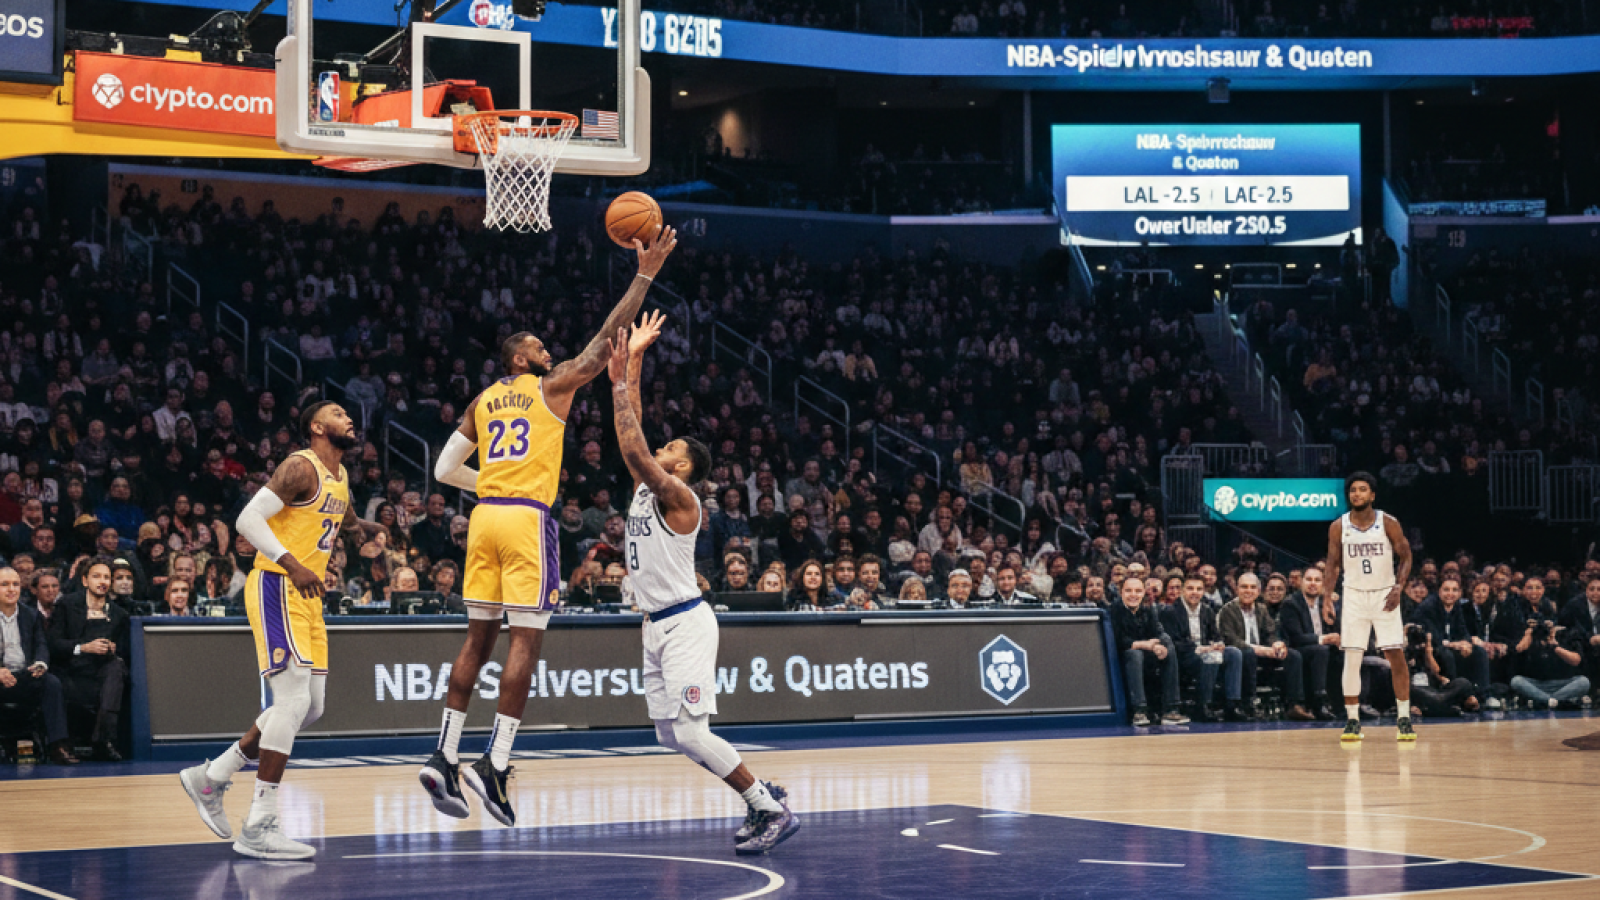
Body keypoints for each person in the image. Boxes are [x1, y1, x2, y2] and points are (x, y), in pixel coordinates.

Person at [420, 229, 677, 828]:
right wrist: (645, 274)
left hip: (483, 519)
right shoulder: (551, 384)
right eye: (536, 346)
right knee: (525, 644)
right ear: (518, 359)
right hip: (525, 521)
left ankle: (443, 755)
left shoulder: (482, 401)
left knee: (475, 643)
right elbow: (604, 343)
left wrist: (489, 483)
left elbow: (442, 470)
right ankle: (495, 764)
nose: (546, 350)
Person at [602, 316, 798, 854]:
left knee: (692, 731)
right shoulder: (647, 489)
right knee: (670, 734)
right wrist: (634, 360)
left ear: (683, 465)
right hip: (654, 624)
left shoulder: (681, 499)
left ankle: (769, 807)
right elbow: (633, 430)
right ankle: (761, 792)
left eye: (669, 447)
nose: (658, 448)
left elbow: (635, 448)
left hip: (685, 621)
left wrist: (617, 384)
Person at [176, 401, 377, 860]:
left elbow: (342, 520)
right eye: (338, 413)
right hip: (278, 583)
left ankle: (212, 777)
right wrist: (293, 564)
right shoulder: (299, 467)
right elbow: (247, 520)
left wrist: (369, 527)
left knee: (311, 707)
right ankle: (259, 824)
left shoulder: (341, 476)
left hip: (307, 595)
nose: (349, 418)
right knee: (292, 701)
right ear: (316, 426)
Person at [1323, 472, 1415, 743]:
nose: (1357, 494)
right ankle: (1352, 720)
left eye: (1362, 489)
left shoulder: (1388, 522)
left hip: (1384, 594)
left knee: (1395, 654)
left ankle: (1404, 717)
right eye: (1353, 490)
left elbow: (1406, 556)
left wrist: (1399, 587)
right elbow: (1332, 563)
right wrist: (1327, 596)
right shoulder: (1338, 526)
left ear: (1372, 495)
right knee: (1352, 657)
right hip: (1353, 594)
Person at [48, 557, 132, 760]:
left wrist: (113, 649)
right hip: (70, 668)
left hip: (101, 669)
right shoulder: (67, 605)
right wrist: (83, 647)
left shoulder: (119, 614)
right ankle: (66, 744)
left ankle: (103, 739)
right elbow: (53, 643)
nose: (102, 581)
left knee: (116, 668)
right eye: (97, 576)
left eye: (106, 577)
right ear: (85, 580)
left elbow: (125, 651)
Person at [0, 567, 76, 764]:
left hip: (24, 675)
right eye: (4, 584)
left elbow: (41, 644)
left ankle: (57, 745)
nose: (11, 589)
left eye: (15, 584)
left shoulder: (30, 615)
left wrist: (40, 663)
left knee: (52, 683)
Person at [1220, 573, 1313, 722]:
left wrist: (1276, 644)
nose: (1248, 591)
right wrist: (1262, 650)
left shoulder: (1261, 609)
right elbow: (1231, 640)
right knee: (1248, 653)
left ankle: (1294, 705)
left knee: (1293, 655)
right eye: (1244, 587)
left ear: (1258, 591)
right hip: (1241, 655)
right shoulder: (1228, 610)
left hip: (1262, 654)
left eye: (1252, 587)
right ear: (1237, 590)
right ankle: (1249, 704)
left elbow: (1271, 633)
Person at [1160, 575, 1245, 722]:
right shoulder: (1170, 612)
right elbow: (1173, 642)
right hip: (1184, 656)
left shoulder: (1207, 610)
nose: (1195, 592)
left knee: (1234, 653)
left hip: (1206, 651)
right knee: (1211, 657)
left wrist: (1218, 644)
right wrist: (1200, 648)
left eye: (1199, 589)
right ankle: (1203, 706)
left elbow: (1216, 635)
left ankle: (1232, 705)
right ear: (1182, 591)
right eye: (1190, 588)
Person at [1108, 576, 1188, 727]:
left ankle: (1171, 709)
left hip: (1146, 653)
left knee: (1168, 644)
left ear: (1143, 592)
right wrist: (1146, 645)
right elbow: (1117, 641)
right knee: (1134, 654)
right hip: (1120, 658)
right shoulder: (1113, 611)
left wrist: (1158, 645)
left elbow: (1157, 631)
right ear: (1121, 592)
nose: (1133, 595)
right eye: (1129, 591)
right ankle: (1139, 711)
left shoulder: (1148, 609)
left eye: (1138, 591)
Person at [1277, 566, 1341, 720]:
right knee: (1321, 650)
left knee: (1344, 653)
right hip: (1298, 650)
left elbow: (1335, 629)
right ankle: (1319, 702)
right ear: (1301, 582)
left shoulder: (1326, 603)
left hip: (1321, 650)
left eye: (1317, 580)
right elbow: (1296, 637)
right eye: (1309, 579)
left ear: (1323, 584)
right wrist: (1324, 639)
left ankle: (1344, 703)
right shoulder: (1291, 603)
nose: (1313, 583)